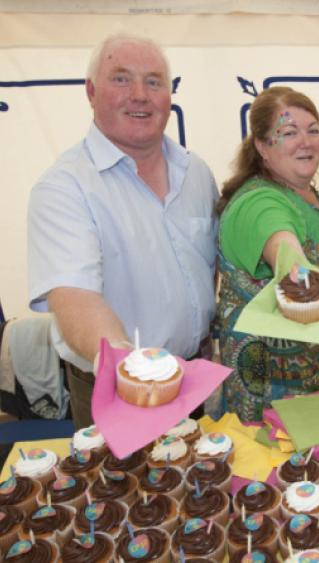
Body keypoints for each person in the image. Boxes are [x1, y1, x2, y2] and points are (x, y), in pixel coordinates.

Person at [27, 34, 218, 429]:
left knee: (200, 487)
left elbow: (209, 267)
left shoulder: (196, 172)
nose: (139, 95)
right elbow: (73, 296)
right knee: (127, 492)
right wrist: (129, 367)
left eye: (153, 81)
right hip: (116, 386)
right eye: (121, 79)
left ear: (170, 94)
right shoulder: (64, 187)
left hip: (193, 378)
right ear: (91, 91)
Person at [215, 86, 319, 422]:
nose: (306, 141)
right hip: (282, 405)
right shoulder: (260, 202)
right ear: (261, 146)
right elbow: (285, 249)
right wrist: (299, 273)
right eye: (288, 132)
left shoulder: (305, 194)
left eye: (313, 130)